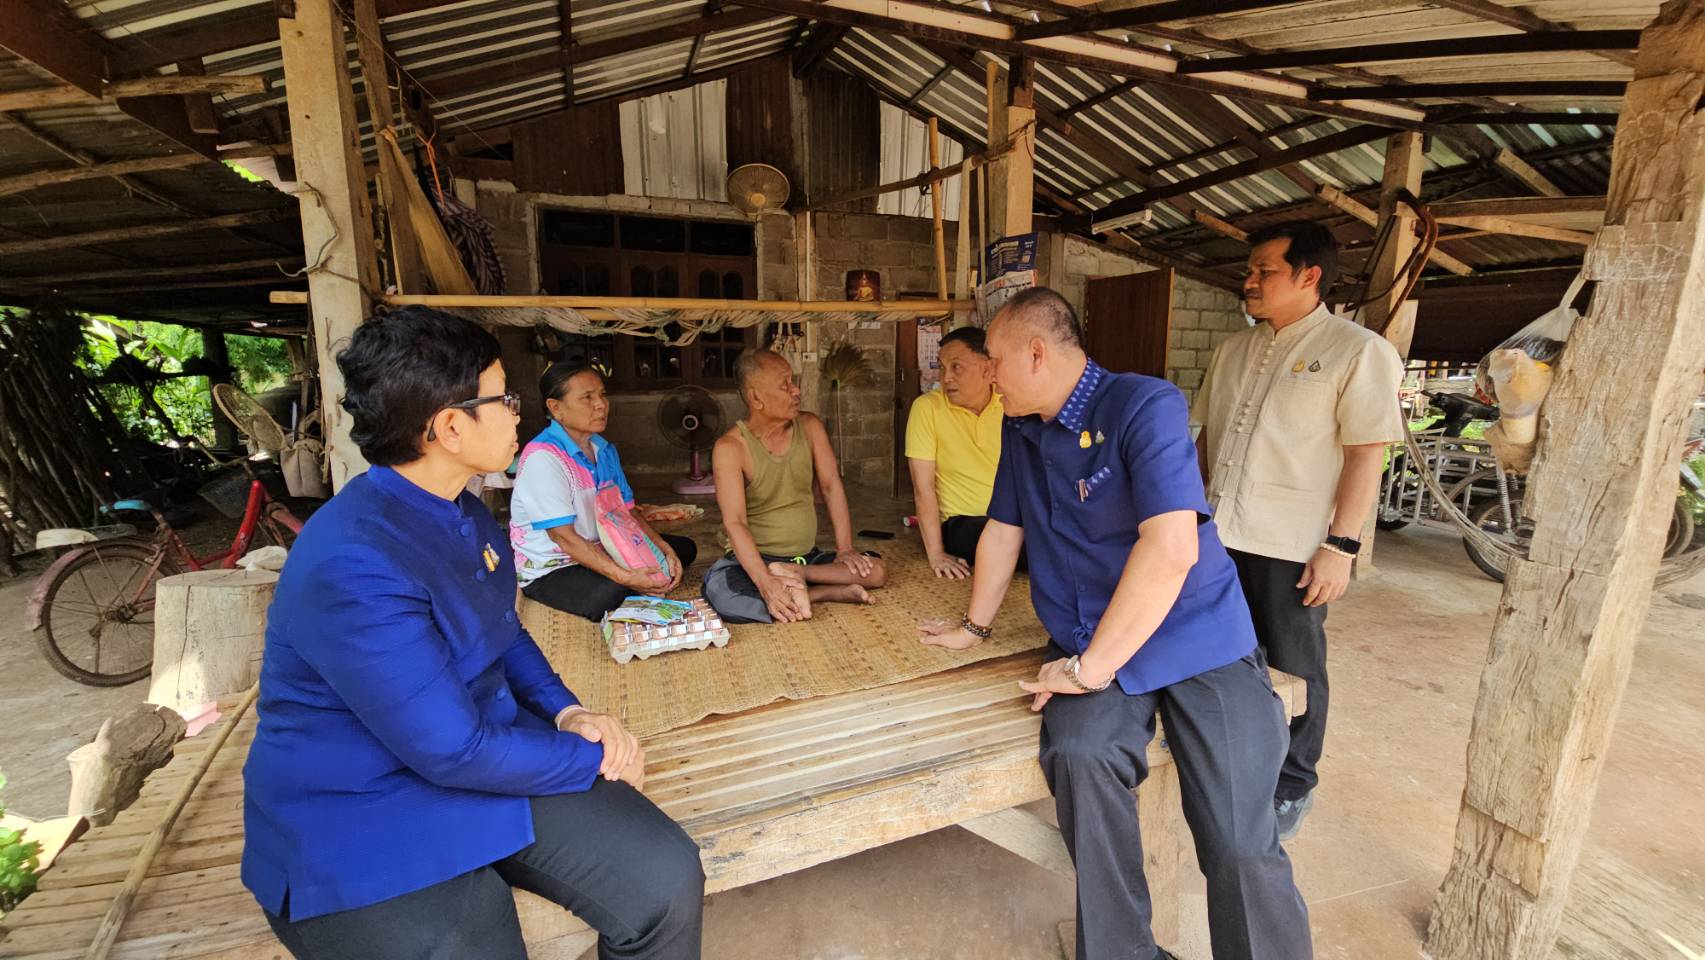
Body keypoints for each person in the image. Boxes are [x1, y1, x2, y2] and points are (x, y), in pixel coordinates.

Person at [243, 308, 704, 960]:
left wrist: (568, 712)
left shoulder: (463, 512)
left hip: (484, 756)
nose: (518, 413)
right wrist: (591, 757)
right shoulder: (353, 560)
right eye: (504, 398)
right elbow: (449, 750)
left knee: (663, 874)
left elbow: (504, 631)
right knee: (466, 937)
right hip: (364, 806)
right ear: (450, 427)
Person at [921, 288, 1310, 960]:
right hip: (1090, 639)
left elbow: (1171, 548)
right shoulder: (1021, 426)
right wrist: (974, 628)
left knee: (1239, 839)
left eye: (993, 360)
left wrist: (1090, 668)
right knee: (1078, 754)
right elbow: (1002, 530)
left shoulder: (1143, 404)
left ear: (1036, 353)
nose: (988, 374)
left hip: (1195, 636)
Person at [1192, 220, 1404, 840]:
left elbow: (1367, 454)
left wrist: (1341, 547)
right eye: (1250, 270)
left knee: (1295, 663)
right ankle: (1238, 760)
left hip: (1292, 544)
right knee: (1228, 653)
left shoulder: (1357, 350)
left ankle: (1293, 782)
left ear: (1309, 277)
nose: (1249, 280)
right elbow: (1207, 439)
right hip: (1221, 533)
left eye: (1265, 270)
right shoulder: (1233, 349)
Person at [702, 349, 887, 623]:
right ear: (756, 398)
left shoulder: (810, 426)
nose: (796, 390)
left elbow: (831, 486)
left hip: (806, 561)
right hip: (756, 560)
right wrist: (765, 581)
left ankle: (800, 579)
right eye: (784, 384)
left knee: (877, 571)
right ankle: (824, 593)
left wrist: (845, 548)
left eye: (793, 380)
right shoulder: (730, 448)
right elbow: (735, 522)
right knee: (725, 596)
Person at [511, 361, 698, 621]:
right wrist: (626, 576)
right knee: (609, 594)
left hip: (605, 545)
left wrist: (664, 548)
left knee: (684, 550)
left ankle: (630, 575)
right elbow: (563, 537)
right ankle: (620, 582)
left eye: (602, 395)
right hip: (556, 564)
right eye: (587, 398)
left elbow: (629, 512)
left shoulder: (603, 449)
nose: (601, 404)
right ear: (556, 408)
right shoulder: (544, 458)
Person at [905, 326, 1025, 577]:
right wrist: (936, 554)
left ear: (987, 368)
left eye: (956, 367)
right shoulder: (927, 408)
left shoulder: (1009, 406)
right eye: (942, 367)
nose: (945, 377)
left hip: (1013, 520)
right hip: (962, 524)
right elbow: (922, 487)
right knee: (1026, 546)